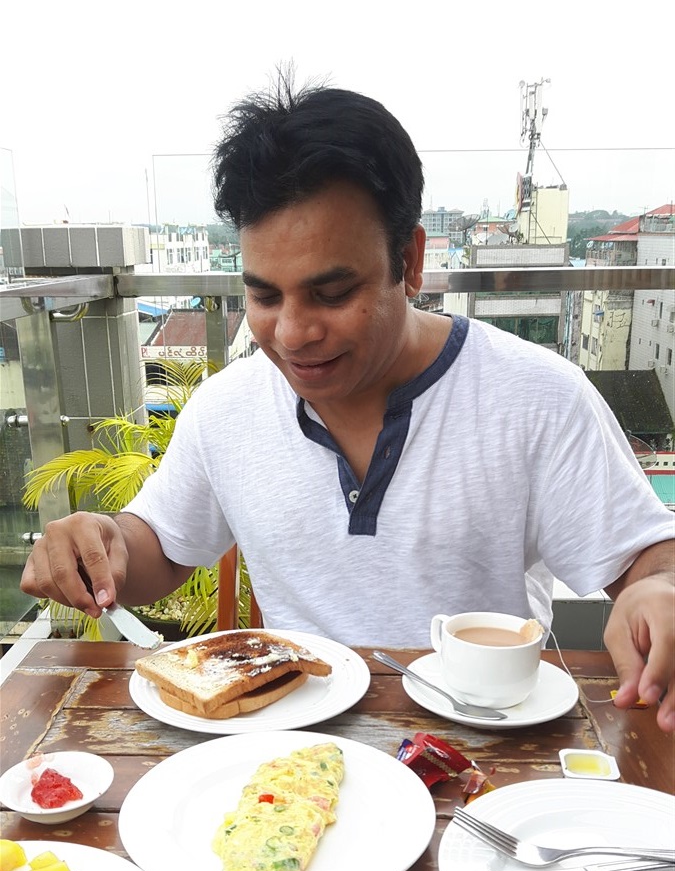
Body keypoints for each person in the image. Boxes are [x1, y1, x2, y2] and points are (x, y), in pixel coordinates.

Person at [21, 75, 675, 730]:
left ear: (410, 261)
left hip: (485, 750)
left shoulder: (536, 397)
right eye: (266, 296)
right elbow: (158, 547)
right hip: (292, 747)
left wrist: (658, 588)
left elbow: (643, 558)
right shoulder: (228, 408)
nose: (293, 332)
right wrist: (102, 545)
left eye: (331, 293)